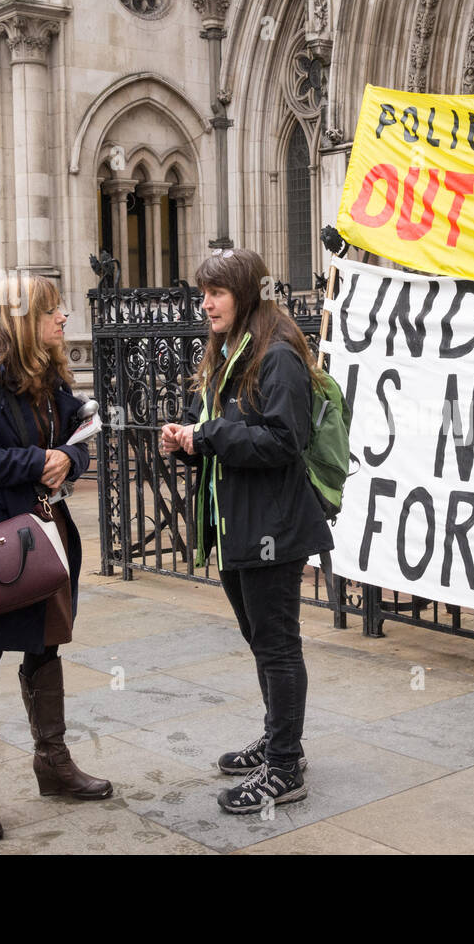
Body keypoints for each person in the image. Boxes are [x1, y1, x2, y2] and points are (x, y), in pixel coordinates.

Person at [0, 274, 112, 842]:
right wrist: (36, 462)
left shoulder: (52, 376)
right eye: (52, 312)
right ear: (20, 318)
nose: (64, 320)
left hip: (46, 532)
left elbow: (78, 443)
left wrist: (66, 459)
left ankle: (52, 762)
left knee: (46, 643)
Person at [160, 248, 332, 814]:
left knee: (278, 646)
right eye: (203, 292)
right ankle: (280, 739)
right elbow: (220, 429)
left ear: (247, 294)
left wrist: (207, 435)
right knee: (262, 643)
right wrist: (188, 439)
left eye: (217, 293)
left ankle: (285, 767)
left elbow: (286, 441)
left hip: (273, 528)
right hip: (236, 524)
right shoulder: (229, 352)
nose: (205, 303)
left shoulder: (276, 355)